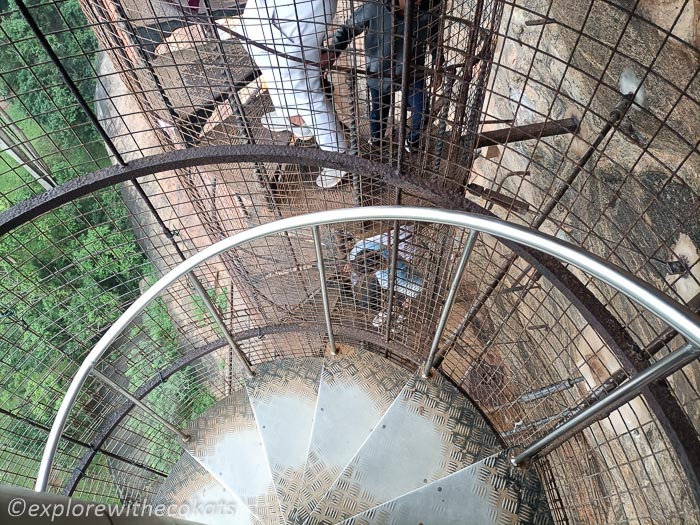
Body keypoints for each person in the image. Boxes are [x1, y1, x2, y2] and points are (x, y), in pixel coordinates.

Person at [240, 0, 348, 188]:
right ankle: (294, 117)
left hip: (297, 10)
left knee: (302, 85)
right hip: (275, 14)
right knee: (274, 68)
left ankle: (338, 158)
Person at [326, 0, 442, 151]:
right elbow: (348, 28)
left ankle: (411, 143)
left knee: (423, 112)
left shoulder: (429, 9)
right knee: (379, 113)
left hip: (413, 73)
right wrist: (331, 53)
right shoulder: (375, 7)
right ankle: (376, 141)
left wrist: (438, 64)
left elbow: (435, 38)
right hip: (379, 74)